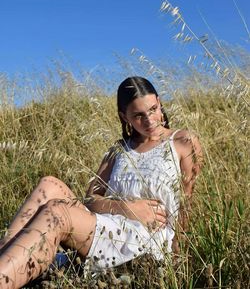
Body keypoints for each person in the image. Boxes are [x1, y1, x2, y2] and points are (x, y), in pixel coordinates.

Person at [0, 76, 203, 288]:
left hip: (145, 240)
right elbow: (90, 199)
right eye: (139, 115)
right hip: (109, 224)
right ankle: (4, 254)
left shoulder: (183, 141)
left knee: (58, 212)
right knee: (49, 184)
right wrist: (126, 208)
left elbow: (188, 205)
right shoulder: (119, 150)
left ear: (160, 102)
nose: (150, 120)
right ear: (124, 117)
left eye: (153, 109)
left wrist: (178, 261)